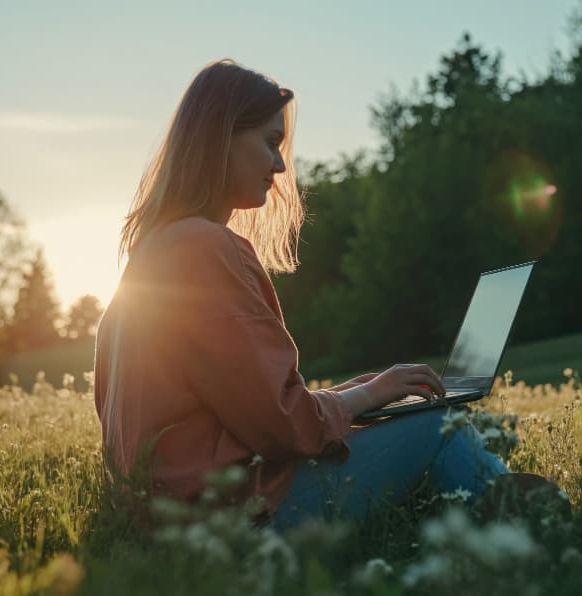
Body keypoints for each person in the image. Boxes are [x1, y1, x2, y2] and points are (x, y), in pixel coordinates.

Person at [94, 58, 530, 532]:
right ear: (221, 139)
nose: (280, 165)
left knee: (414, 433)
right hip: (235, 521)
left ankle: (504, 513)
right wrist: (370, 394)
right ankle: (540, 532)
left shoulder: (150, 255)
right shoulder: (207, 247)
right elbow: (282, 426)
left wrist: (362, 395)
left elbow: (247, 413)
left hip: (174, 521)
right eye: (269, 143)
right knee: (438, 428)